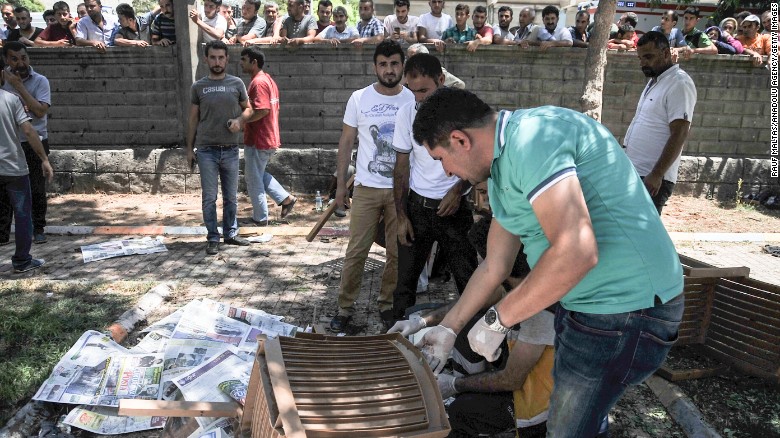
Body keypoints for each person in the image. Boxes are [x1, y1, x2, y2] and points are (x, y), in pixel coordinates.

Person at [412, 85, 684, 438]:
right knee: (577, 421)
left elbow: (577, 251)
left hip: (629, 309)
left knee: (568, 429)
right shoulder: (501, 171)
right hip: (586, 305)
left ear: (460, 140)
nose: (446, 173)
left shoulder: (533, 140)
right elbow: (495, 265)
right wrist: (448, 327)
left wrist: (498, 320)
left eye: (441, 159)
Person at [329, 41, 414, 333]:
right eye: (383, 64)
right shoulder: (359, 98)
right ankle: (344, 308)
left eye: (394, 64)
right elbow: (346, 143)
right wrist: (341, 186)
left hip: (401, 192)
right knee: (356, 252)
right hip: (365, 188)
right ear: (375, 66)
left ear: (402, 65)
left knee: (395, 252)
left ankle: (387, 305)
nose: (389, 70)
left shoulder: (413, 100)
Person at [390, 53, 477, 323]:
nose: (418, 98)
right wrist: (401, 216)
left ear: (441, 80)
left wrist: (458, 188)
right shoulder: (406, 113)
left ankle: (473, 344)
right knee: (404, 284)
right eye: (411, 90)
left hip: (453, 208)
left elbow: (478, 161)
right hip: (417, 208)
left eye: (424, 90)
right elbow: (402, 167)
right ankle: (396, 339)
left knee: (469, 281)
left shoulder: (462, 112)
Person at [186, 40, 252, 255]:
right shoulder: (198, 86)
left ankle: (230, 234)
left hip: (231, 150)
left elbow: (249, 110)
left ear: (227, 59)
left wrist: (239, 121)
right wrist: (189, 149)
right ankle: (213, 237)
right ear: (206, 59)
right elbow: (193, 119)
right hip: (206, 151)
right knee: (209, 197)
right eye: (212, 57)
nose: (217, 61)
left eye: (221, 57)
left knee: (231, 196)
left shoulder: (237, 84)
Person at [624, 31, 697, 214]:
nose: (643, 63)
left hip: (652, 179)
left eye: (648, 57)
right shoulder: (655, 82)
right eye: (640, 58)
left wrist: (656, 174)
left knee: (643, 234)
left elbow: (680, 133)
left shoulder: (679, 83)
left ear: (666, 54)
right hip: (635, 172)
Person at [0, 57, 53, 272]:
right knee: (23, 214)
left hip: (12, 166)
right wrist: (44, 159)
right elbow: (29, 131)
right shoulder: (10, 100)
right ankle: (22, 260)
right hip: (13, 166)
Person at [239, 46, 297, 226]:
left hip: (259, 139)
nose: (241, 63)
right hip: (267, 137)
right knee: (256, 173)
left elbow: (262, 110)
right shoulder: (268, 80)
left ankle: (260, 218)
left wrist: (242, 121)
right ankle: (286, 199)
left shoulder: (258, 82)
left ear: (253, 62)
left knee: (253, 178)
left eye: (244, 59)